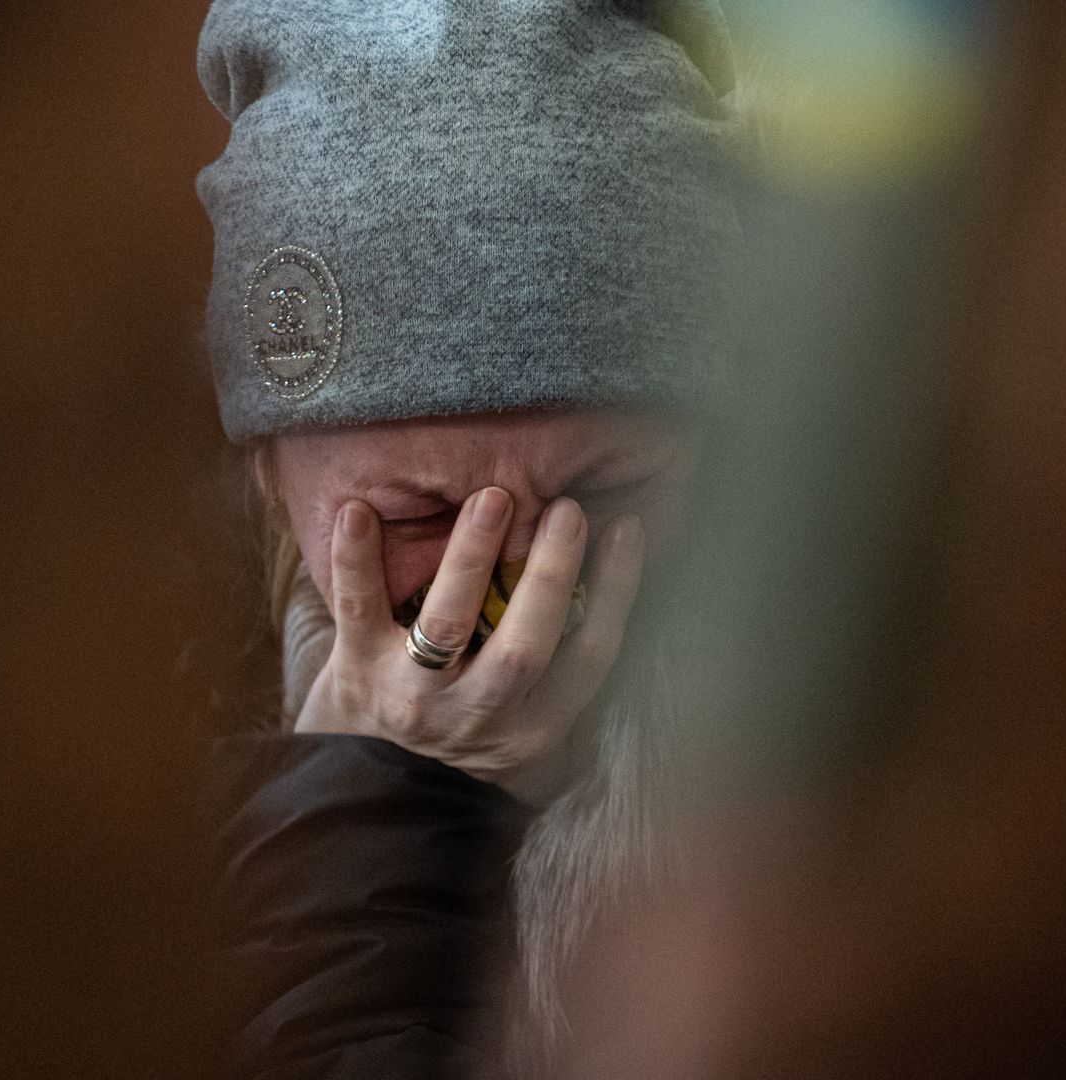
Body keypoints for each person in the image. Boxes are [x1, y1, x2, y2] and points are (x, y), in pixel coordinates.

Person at [192, 2, 742, 1077]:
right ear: (267, 470)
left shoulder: (885, 762)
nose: (522, 588)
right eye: (418, 516)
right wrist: (375, 814)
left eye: (610, 484)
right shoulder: (83, 773)